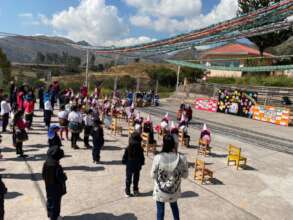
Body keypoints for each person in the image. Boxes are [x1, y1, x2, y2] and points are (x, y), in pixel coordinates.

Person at [151, 134, 188, 220]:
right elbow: (185, 175)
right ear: (174, 144)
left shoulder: (158, 157)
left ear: (164, 144)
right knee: (174, 208)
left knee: (160, 210)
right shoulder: (182, 158)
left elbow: (152, 175)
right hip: (174, 190)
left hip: (160, 191)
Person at [42, 146, 67, 220]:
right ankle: (55, 217)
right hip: (56, 187)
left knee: (49, 200)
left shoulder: (46, 163)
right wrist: (65, 177)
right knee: (56, 203)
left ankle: (50, 214)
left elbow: (43, 175)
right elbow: (60, 177)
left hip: (48, 185)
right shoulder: (56, 166)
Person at [122, 131, 145, 197]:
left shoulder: (128, 148)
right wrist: (142, 163)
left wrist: (124, 162)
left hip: (129, 165)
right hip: (137, 165)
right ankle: (135, 190)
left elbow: (125, 157)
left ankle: (127, 192)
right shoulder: (140, 149)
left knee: (128, 178)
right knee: (136, 178)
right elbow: (142, 157)